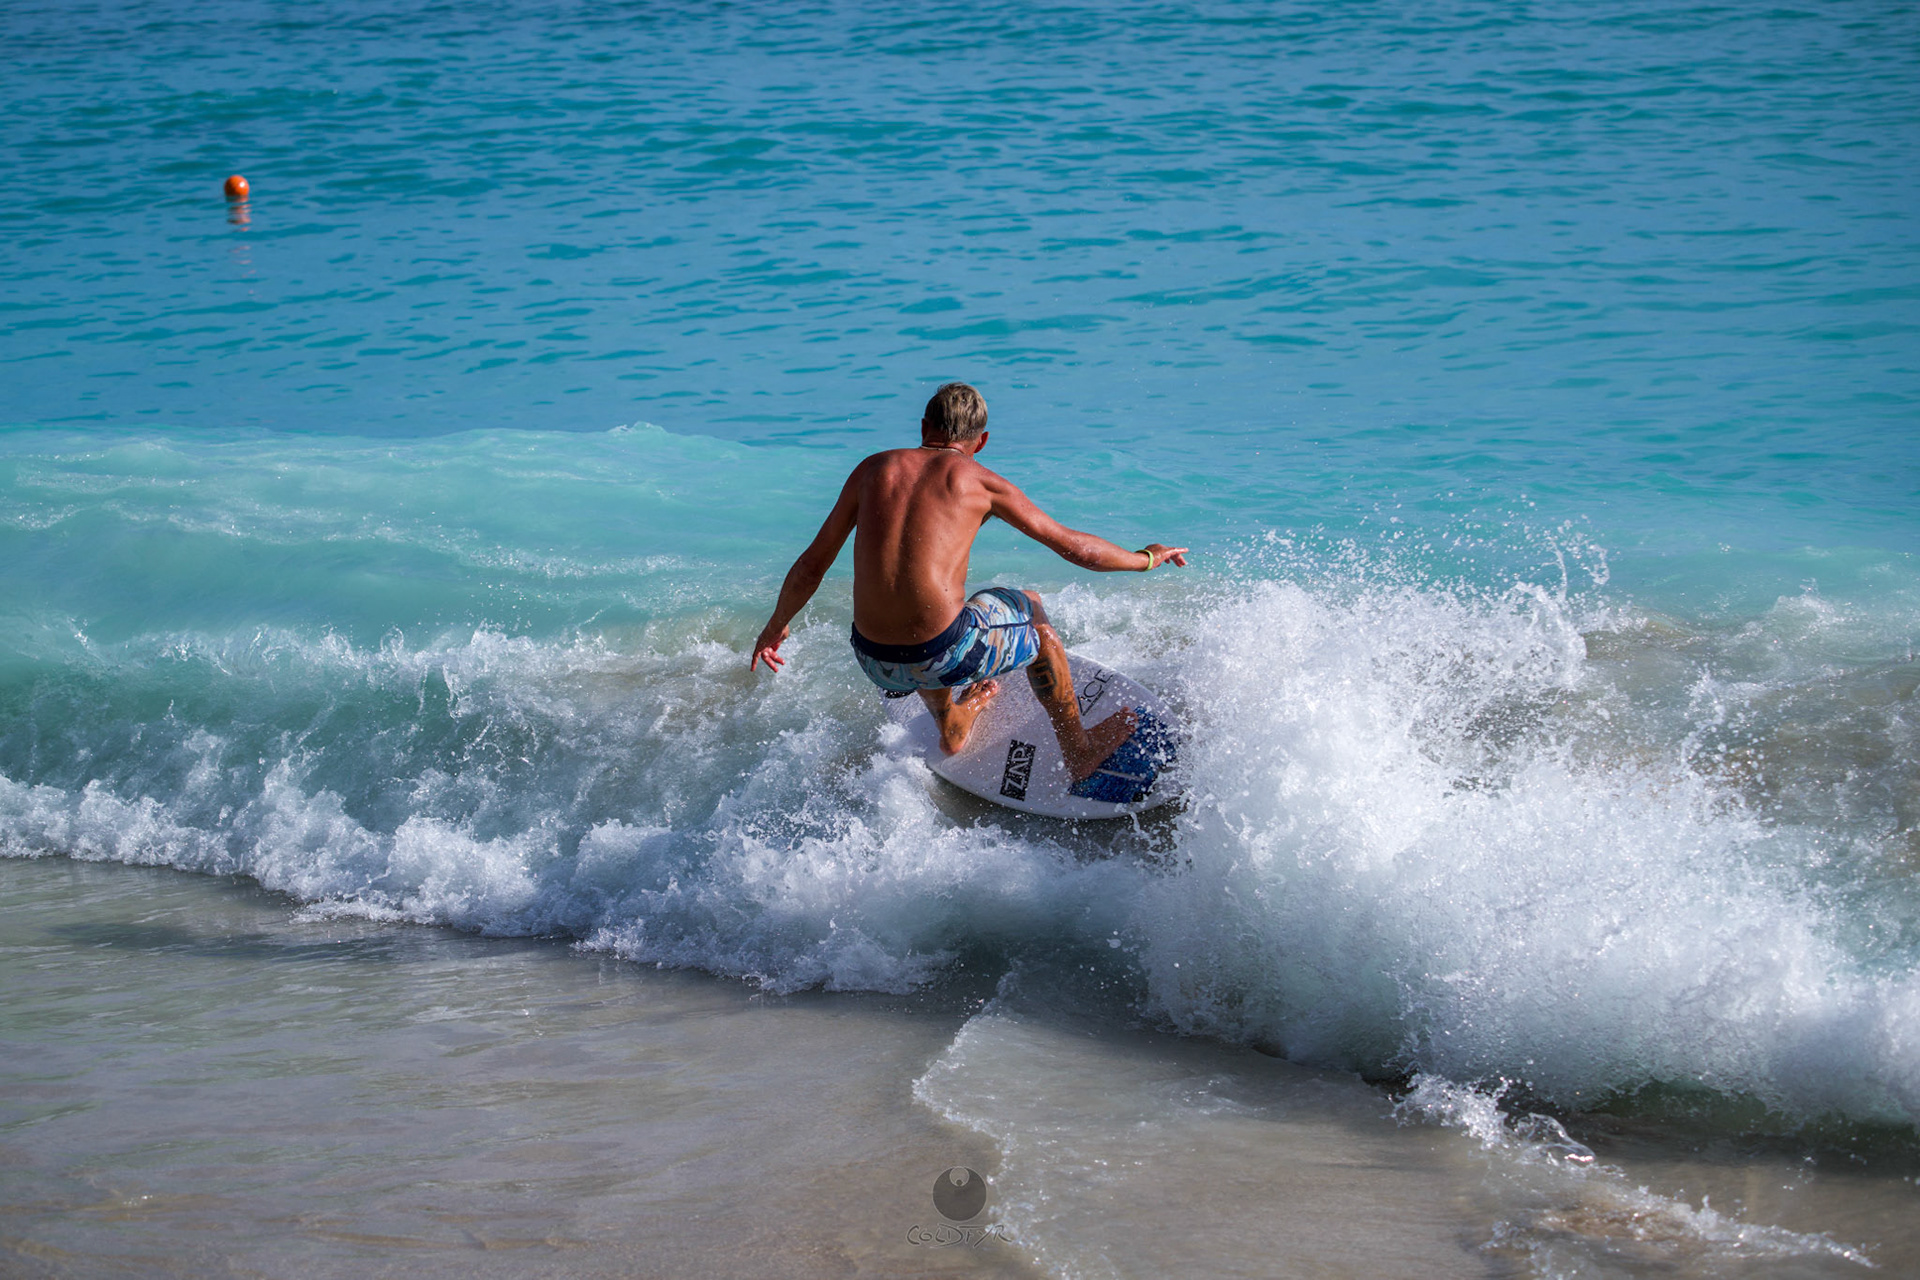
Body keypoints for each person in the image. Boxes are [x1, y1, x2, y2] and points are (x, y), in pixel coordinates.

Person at [749, 382, 1187, 783]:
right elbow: (1074, 548)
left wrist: (775, 627)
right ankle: (1079, 749)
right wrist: (1145, 558)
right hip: (941, 657)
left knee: (938, 608)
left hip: (875, 663)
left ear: (924, 427)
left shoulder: (870, 471)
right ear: (981, 441)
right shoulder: (982, 483)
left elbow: (811, 566)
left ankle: (951, 724)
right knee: (1029, 611)